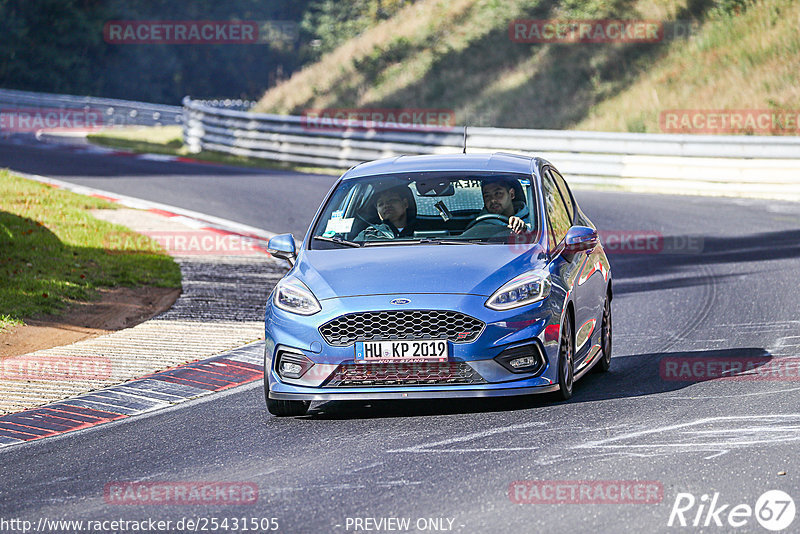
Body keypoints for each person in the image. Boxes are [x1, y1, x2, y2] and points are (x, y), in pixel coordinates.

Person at [460, 178, 528, 238]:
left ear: (511, 194)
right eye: (487, 196)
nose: (492, 200)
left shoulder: (533, 219)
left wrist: (523, 228)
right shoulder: (478, 228)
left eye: (498, 193)